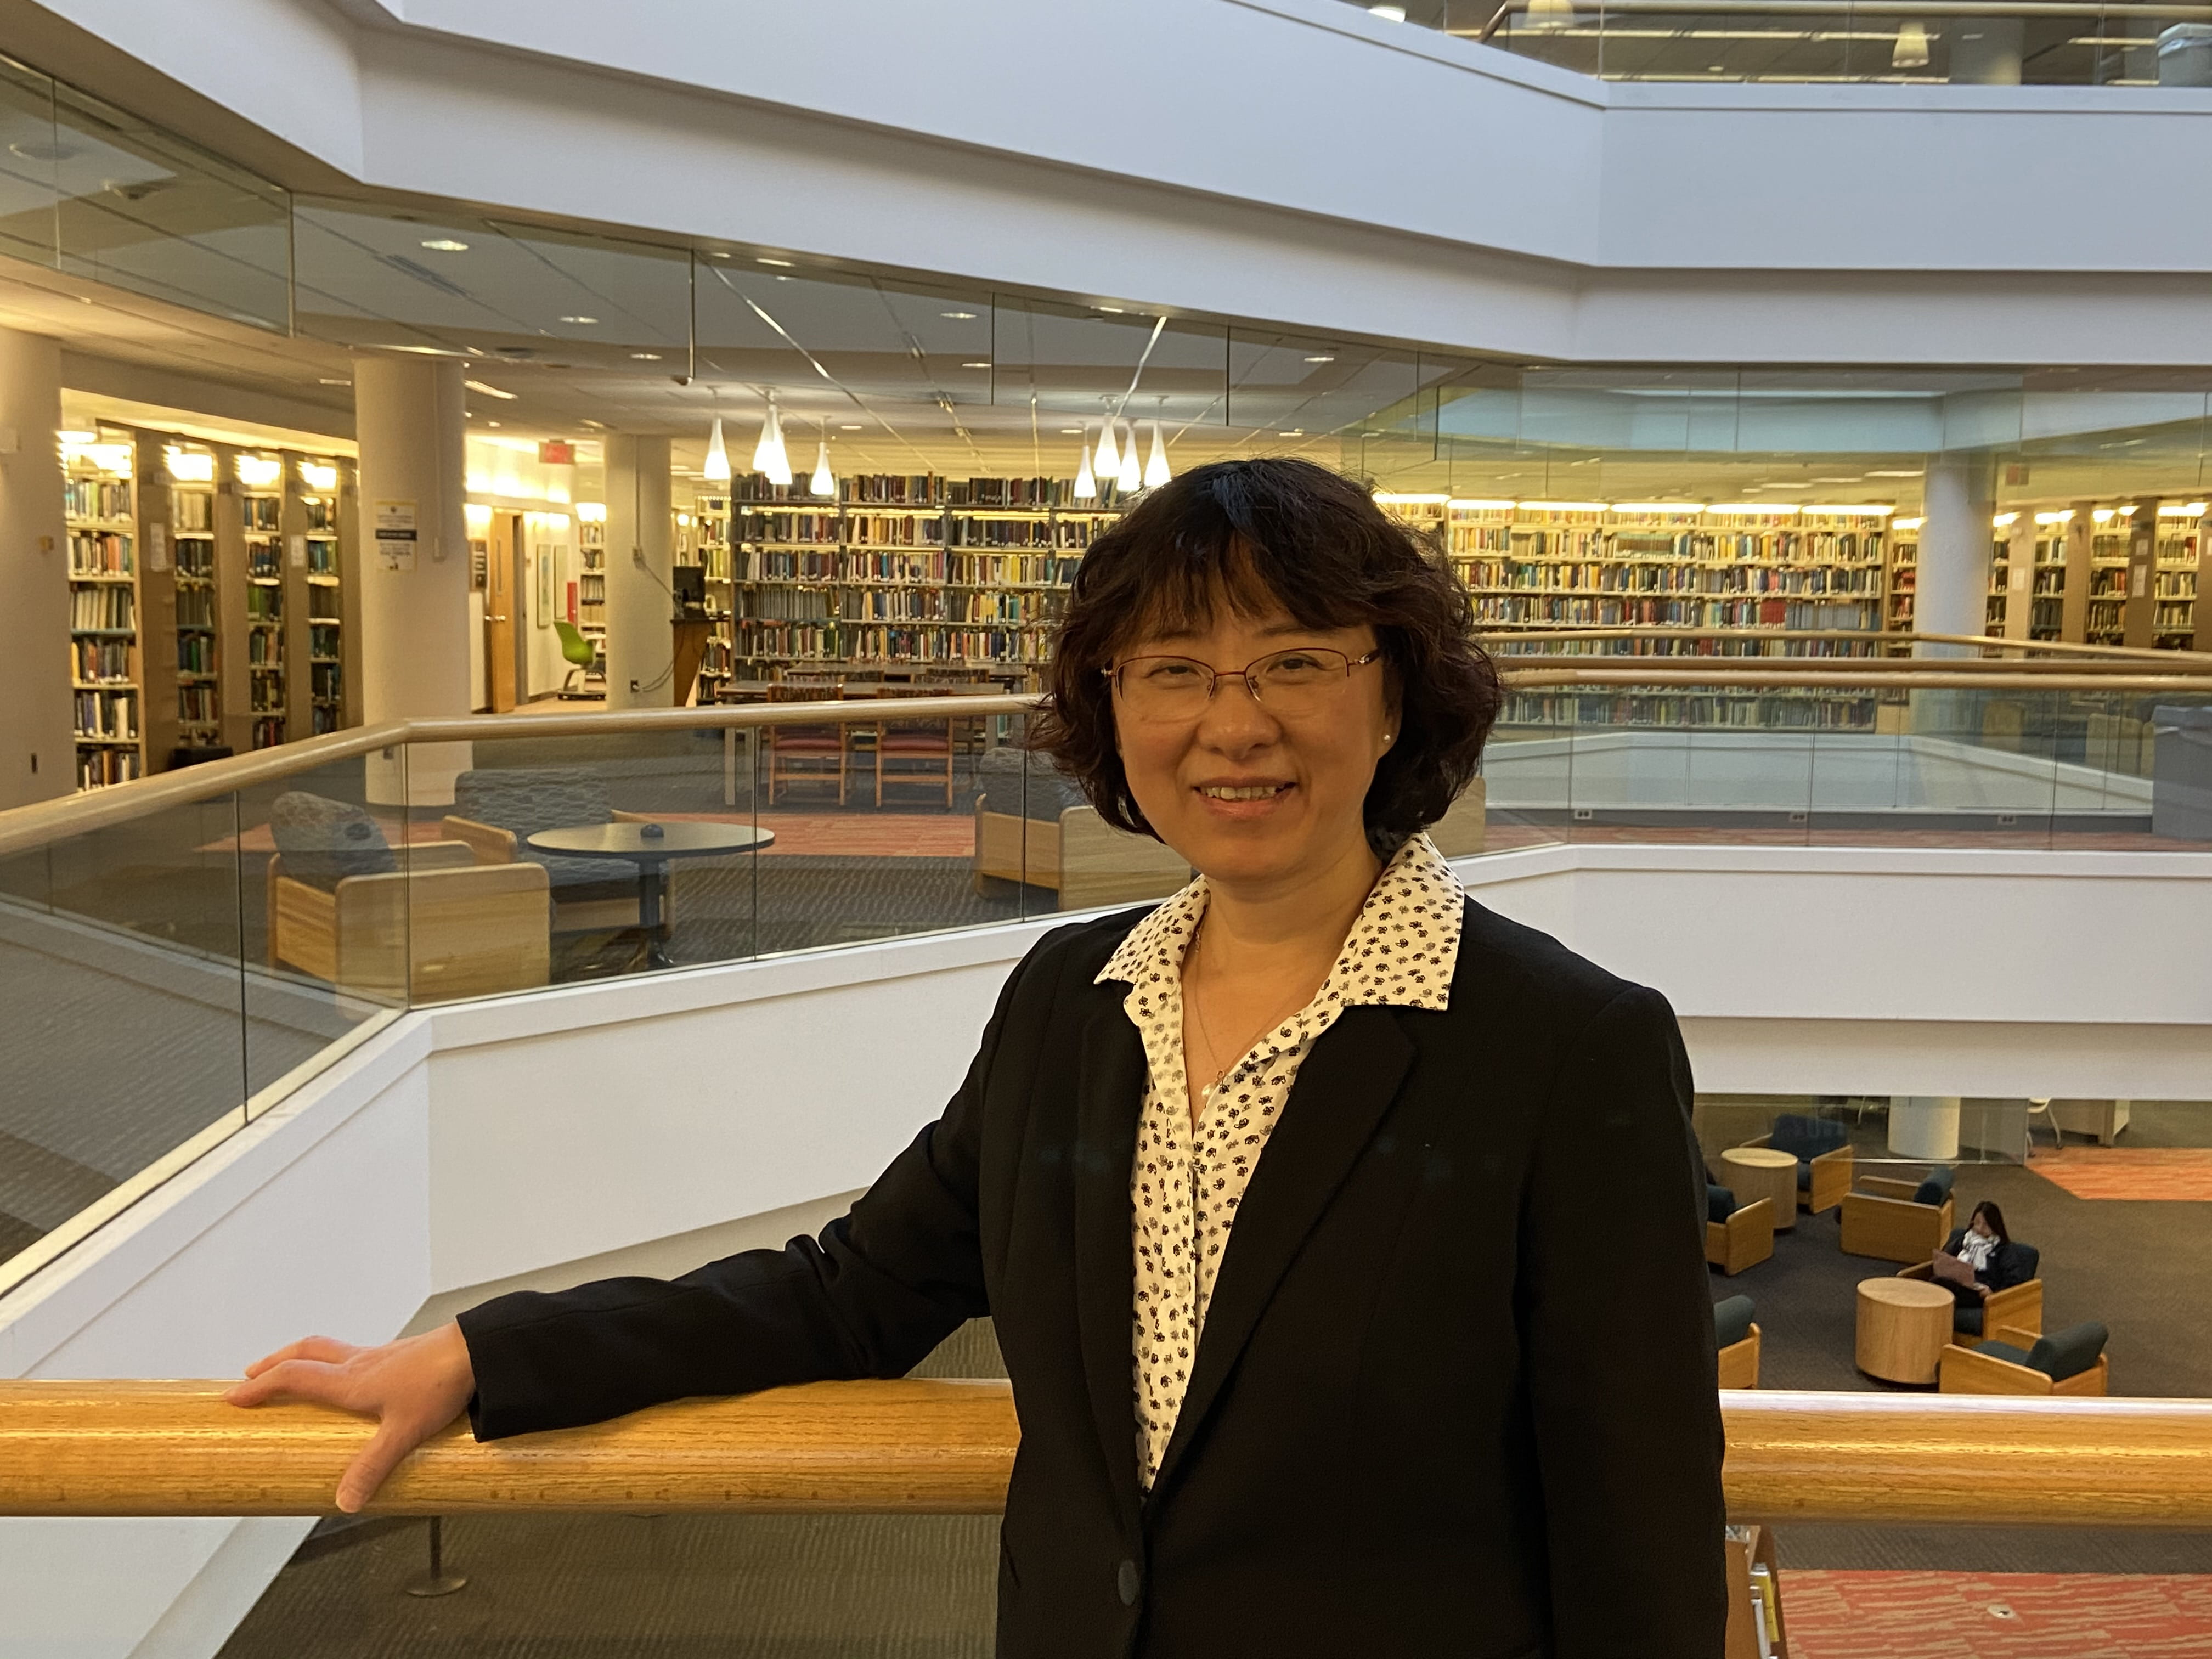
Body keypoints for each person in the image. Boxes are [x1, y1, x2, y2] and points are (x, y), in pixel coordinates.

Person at [229, 459, 1727, 1657]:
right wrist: (493, 1352)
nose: (1233, 723)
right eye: (1173, 671)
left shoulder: (1565, 1048)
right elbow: (852, 1289)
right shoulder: (1075, 1003)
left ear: (1392, 690)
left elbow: (1636, 1531)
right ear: (1112, 707)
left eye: (1294, 660)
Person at [1939, 1200, 2032, 1307]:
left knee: (1945, 1289)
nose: (1980, 1229)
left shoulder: (2004, 1250)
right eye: (1977, 1223)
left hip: (1982, 1294)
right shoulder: (1964, 1240)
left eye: (1986, 1225)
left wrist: (1993, 1293)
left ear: (1994, 1226)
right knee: (1937, 1281)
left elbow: (2013, 1282)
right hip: (1957, 1282)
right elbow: (1945, 1258)